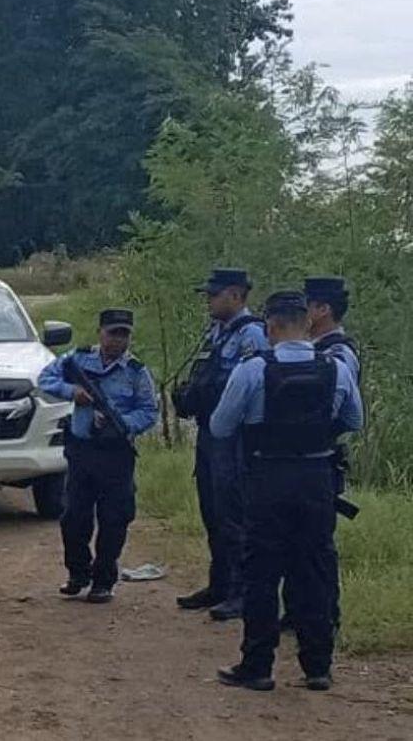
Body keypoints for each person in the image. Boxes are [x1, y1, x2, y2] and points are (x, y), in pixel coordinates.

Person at [210, 291, 363, 692]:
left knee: (261, 572)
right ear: (305, 323)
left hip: (267, 478)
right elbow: (355, 420)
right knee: (313, 569)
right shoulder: (336, 367)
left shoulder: (252, 369)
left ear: (271, 325)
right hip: (317, 478)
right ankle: (318, 667)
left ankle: (258, 666)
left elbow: (221, 427)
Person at [39, 309, 159, 604]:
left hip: (116, 453)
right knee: (74, 516)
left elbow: (149, 411)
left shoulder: (136, 372)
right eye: (113, 333)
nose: (118, 340)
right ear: (100, 333)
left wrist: (122, 423)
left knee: (114, 518)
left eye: (124, 334)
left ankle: (104, 580)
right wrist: (72, 392)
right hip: (82, 450)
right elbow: (45, 378)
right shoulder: (77, 360)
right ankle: (78, 573)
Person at [173, 268, 269, 621]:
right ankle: (220, 584)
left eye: (213, 295)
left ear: (235, 295)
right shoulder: (217, 331)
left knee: (234, 515)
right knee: (212, 511)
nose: (209, 301)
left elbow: (248, 388)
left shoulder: (253, 335)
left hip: (236, 437)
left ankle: (241, 591)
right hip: (211, 432)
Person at [279, 276, 364, 631]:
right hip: (298, 460)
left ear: (323, 309)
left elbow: (347, 416)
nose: (303, 313)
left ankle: (326, 615)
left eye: (308, 306)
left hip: (320, 458)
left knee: (317, 548)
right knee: (293, 543)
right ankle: (298, 611)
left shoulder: (338, 354)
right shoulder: (315, 351)